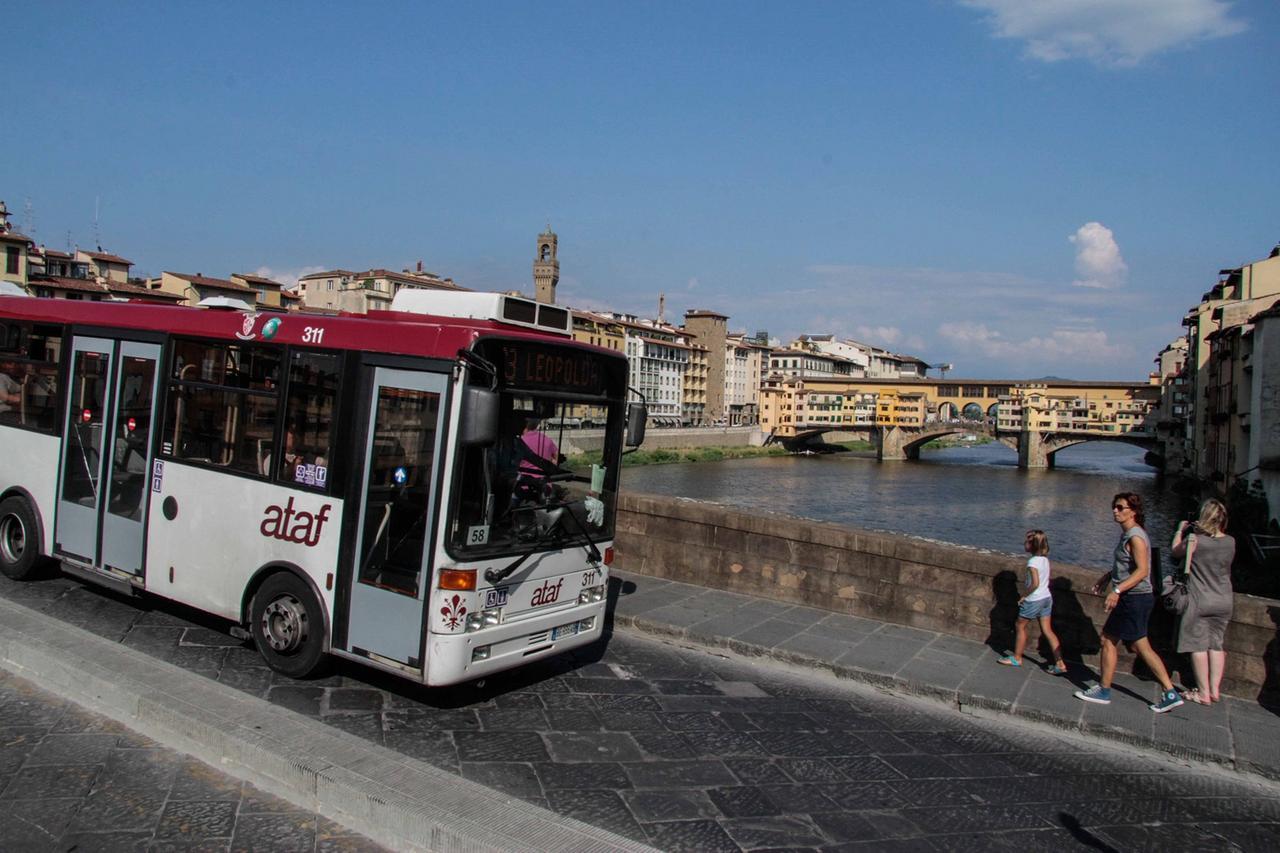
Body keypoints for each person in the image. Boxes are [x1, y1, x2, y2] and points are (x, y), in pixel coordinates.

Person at [1075, 492, 1184, 712]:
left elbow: (1143, 571)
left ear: (1133, 511)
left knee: (1113, 641)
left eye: (1120, 507)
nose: (1115, 511)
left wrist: (1116, 590)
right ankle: (1168, 692)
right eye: (1114, 507)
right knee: (1136, 644)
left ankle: (1106, 690)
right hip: (1136, 598)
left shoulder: (1135, 536)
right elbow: (1129, 566)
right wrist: (1109, 576)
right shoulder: (1130, 534)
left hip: (1134, 598)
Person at [1170, 498, 1235, 705]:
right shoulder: (1231, 542)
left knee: (1197, 645)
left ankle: (1203, 693)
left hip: (1200, 599)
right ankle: (1215, 690)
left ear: (1203, 517)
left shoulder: (1195, 540)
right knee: (1216, 645)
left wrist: (1181, 531)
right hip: (1224, 600)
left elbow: (1175, 552)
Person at [998, 530, 1067, 674]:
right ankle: (1060, 662)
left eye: (1027, 541)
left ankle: (1017, 658)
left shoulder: (1032, 562)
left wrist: (1024, 595)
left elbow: (1034, 583)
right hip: (1046, 598)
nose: (1025, 543)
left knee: (1020, 626)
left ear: (1032, 545)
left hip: (1034, 599)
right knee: (1048, 630)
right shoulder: (1045, 560)